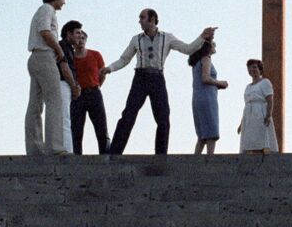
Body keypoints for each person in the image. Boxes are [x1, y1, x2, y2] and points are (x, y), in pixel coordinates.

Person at [101, 9, 216, 154]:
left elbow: (187, 49)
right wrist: (110, 68)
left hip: (157, 78)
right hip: (140, 77)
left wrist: (202, 37)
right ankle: (114, 153)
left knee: (163, 118)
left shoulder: (166, 37)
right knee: (128, 115)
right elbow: (125, 59)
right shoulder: (136, 39)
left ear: (152, 19)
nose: (139, 21)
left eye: (142, 18)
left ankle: (161, 155)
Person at [24, 0, 72, 156]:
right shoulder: (47, 9)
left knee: (35, 104)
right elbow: (45, 31)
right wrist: (59, 50)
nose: (63, 3)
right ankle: (55, 147)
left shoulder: (42, 10)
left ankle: (35, 148)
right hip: (45, 57)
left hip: (36, 57)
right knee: (54, 101)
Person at [69, 24, 109, 154]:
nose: (80, 41)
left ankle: (105, 156)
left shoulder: (95, 55)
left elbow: (102, 73)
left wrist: (96, 85)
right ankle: (76, 158)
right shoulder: (71, 57)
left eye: (83, 39)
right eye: (78, 38)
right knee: (76, 130)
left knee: (101, 128)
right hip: (77, 96)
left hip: (94, 93)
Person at [189, 40, 228, 154]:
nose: (215, 45)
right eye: (212, 43)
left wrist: (216, 85)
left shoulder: (196, 62)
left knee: (201, 136)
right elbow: (205, 78)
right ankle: (210, 161)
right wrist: (220, 83)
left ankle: (195, 164)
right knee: (211, 133)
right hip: (207, 98)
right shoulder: (206, 59)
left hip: (197, 98)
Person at [237, 58, 277, 153]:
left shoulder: (265, 82)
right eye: (249, 68)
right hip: (249, 115)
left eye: (254, 67)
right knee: (249, 140)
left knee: (260, 137)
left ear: (260, 69)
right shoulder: (248, 87)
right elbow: (246, 105)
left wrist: (268, 115)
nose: (252, 70)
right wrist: (242, 123)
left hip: (260, 112)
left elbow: (270, 99)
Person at [57, 21, 81, 154]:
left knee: (65, 117)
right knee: (64, 117)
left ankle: (67, 149)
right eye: (77, 33)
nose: (79, 36)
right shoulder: (63, 46)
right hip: (62, 83)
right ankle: (67, 150)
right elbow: (64, 67)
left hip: (65, 84)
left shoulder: (69, 48)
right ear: (69, 33)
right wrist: (73, 86)